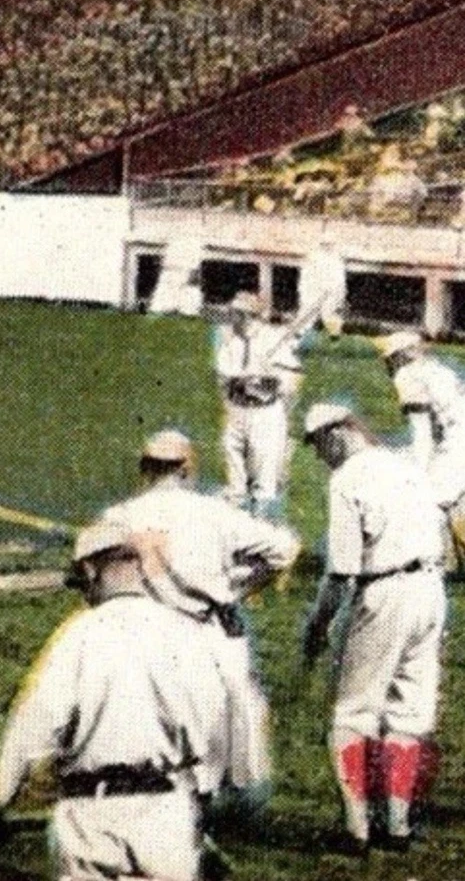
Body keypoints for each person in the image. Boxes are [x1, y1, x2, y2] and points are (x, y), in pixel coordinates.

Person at [0, 519, 231, 881]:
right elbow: (216, 735)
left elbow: (29, 729)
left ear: (91, 570)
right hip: (168, 820)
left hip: (91, 823)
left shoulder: (78, 636)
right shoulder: (188, 633)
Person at [101, 428, 301, 805]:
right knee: (219, 724)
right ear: (187, 467)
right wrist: (241, 585)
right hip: (202, 630)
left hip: (140, 635)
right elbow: (284, 549)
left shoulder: (119, 518)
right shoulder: (214, 513)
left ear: (144, 469)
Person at [302, 403, 446, 854]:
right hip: (431, 591)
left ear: (338, 433)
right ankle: (398, 825)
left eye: (319, 444)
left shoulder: (347, 479)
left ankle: (357, 829)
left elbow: (341, 571)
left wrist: (317, 624)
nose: (320, 455)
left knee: (351, 714)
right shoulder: (406, 464)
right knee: (408, 714)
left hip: (383, 593)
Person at [378, 330, 465, 567]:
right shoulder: (441, 369)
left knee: (429, 503)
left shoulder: (408, 375)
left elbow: (422, 432)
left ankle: (432, 564)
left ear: (405, 355)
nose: (389, 363)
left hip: (457, 444)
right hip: (457, 439)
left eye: (393, 357)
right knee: (455, 506)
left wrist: (420, 471)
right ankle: (449, 563)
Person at [214, 291, 304, 517]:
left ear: (249, 316)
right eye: (232, 313)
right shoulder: (230, 341)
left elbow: (291, 380)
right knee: (235, 479)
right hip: (236, 411)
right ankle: (235, 533)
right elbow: (223, 374)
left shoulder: (274, 339)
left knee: (264, 479)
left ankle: (258, 530)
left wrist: (266, 379)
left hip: (264, 414)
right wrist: (241, 378)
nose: (231, 318)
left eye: (237, 314)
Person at [150, 234, 203, 316]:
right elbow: (163, 262)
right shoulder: (172, 245)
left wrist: (194, 271)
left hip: (186, 268)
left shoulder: (193, 243)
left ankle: (186, 311)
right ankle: (166, 309)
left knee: (188, 291)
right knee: (167, 290)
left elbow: (194, 266)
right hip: (171, 269)